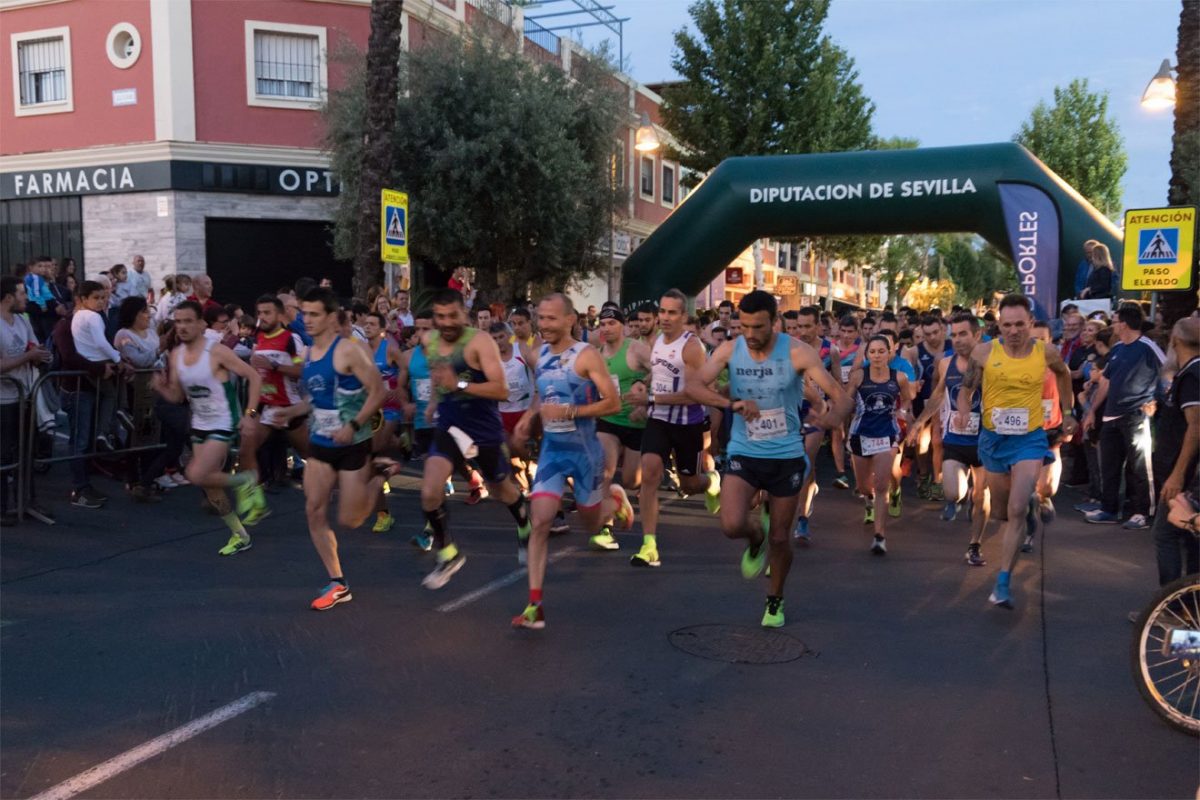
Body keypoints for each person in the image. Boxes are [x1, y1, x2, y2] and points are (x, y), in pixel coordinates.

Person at [688, 290, 852, 627]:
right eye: (744, 326)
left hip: (786, 455)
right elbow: (694, 386)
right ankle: (754, 538)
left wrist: (834, 418)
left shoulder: (797, 352)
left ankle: (775, 600)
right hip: (744, 452)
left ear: (774, 322)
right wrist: (730, 404)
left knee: (781, 537)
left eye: (758, 327)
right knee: (732, 524)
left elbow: (841, 396)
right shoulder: (730, 349)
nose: (750, 334)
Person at [510, 294, 630, 629]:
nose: (544, 325)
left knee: (591, 526)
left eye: (550, 319)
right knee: (541, 520)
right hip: (552, 452)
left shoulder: (586, 356)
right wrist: (529, 416)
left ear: (570, 320)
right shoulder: (539, 355)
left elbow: (613, 404)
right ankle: (535, 605)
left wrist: (570, 411)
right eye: (541, 318)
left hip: (585, 453)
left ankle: (614, 501)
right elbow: (541, 393)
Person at [955, 294, 1076, 608]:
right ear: (999, 325)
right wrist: (964, 409)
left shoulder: (1045, 351)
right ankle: (1027, 502)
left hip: (1029, 439)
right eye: (1007, 325)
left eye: (1020, 324)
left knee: (1017, 509)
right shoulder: (984, 352)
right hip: (994, 440)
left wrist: (1069, 409)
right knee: (999, 512)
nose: (1013, 331)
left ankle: (1003, 580)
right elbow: (966, 390)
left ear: (1031, 324)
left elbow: (1063, 374)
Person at [418, 289, 530, 587]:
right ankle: (449, 554)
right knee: (430, 491)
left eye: (452, 316)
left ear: (463, 315)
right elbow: (437, 374)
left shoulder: (479, 342)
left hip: (483, 428)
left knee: (500, 489)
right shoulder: (429, 341)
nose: (446, 322)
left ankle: (524, 526)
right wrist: (432, 402)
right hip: (450, 424)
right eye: (440, 317)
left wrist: (461, 384)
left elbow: (501, 390)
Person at [296, 288, 389, 611]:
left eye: (314, 314)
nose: (306, 320)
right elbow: (316, 399)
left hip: (352, 443)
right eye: (304, 313)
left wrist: (353, 425)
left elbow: (379, 390)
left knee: (350, 520)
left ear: (332, 318)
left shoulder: (348, 351)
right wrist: (294, 411)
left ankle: (377, 477)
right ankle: (338, 582)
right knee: (314, 509)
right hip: (320, 444)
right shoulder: (308, 354)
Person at [153, 301, 264, 555]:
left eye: (188, 321)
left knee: (195, 473)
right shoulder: (176, 356)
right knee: (211, 489)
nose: (181, 326)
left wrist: (250, 415)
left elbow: (254, 376)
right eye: (178, 321)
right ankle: (240, 535)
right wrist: (161, 388)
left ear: (202, 324)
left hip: (223, 423)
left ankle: (247, 480)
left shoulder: (217, 352)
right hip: (199, 425)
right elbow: (178, 395)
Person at [635, 289, 723, 569]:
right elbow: (658, 371)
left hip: (688, 423)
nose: (665, 318)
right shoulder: (658, 340)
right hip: (659, 419)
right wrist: (643, 384)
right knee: (648, 471)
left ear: (683, 316)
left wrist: (649, 398)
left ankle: (711, 483)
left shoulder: (692, 347)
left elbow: (697, 392)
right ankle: (649, 545)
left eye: (672, 312)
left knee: (689, 485)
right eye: (662, 311)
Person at [908, 312, 990, 565]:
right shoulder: (946, 363)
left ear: (977, 334)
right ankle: (957, 500)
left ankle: (974, 544)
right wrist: (919, 422)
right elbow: (937, 395)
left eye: (963, 334)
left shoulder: (992, 361)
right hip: (955, 439)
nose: (957, 340)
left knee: (981, 496)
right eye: (954, 335)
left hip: (986, 441)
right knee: (952, 491)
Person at [1081, 304, 1166, 528]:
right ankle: (1109, 509)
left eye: (1116, 320)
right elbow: (1106, 382)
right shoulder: (1117, 349)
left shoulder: (1148, 347)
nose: (1114, 325)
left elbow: (1169, 370)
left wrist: (1157, 398)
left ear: (1124, 324)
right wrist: (1092, 411)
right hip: (1110, 416)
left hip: (1136, 415)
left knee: (1140, 466)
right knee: (1109, 466)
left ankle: (1143, 513)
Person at [849, 335, 913, 553]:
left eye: (881, 351)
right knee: (864, 487)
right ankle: (868, 499)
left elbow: (907, 398)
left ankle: (879, 536)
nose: (876, 355)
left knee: (881, 486)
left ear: (889, 353)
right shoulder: (858, 376)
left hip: (886, 436)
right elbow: (847, 401)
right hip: (860, 434)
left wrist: (903, 413)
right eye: (872, 352)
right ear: (867, 354)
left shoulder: (900, 377)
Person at [594, 306, 651, 550]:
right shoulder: (597, 354)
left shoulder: (636, 349)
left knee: (632, 480)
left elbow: (661, 372)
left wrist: (645, 396)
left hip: (637, 421)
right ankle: (604, 529)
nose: (606, 329)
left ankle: (619, 497)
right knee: (603, 471)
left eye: (612, 324)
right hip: (609, 420)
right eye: (603, 324)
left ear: (623, 326)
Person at [0, 276, 53, 524]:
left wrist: (40, 355)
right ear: (8, 297)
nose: (27, 298)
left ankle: (27, 501)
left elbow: (33, 347)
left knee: (26, 452)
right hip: (3, 400)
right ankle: (1, 508)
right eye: (22, 293)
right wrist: (28, 356)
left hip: (25, 394)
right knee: (3, 456)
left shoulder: (22, 320)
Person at [1152, 317, 1200, 585]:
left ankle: (1171, 603)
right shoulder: (1190, 373)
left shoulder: (1193, 374)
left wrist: (1178, 475)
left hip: (1185, 476)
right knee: (1190, 539)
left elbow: (1196, 427)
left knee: (1166, 535)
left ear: (1175, 341)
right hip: (1183, 473)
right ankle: (1188, 601)